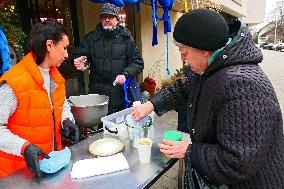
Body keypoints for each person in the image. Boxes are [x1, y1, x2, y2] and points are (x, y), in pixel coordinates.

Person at [132, 8, 284, 188]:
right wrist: (150, 105)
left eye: (184, 51)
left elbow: (237, 161)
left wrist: (189, 151)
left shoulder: (241, 85)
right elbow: (185, 87)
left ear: (204, 50)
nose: (182, 58)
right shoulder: (214, 66)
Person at [0, 19, 80, 178]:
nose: (66, 55)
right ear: (49, 45)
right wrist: (24, 147)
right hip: (18, 174)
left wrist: (67, 120)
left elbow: (61, 105)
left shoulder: (55, 77)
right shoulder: (13, 83)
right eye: (64, 48)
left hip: (49, 167)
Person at [73, 3, 144, 114]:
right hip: (98, 94)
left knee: (119, 125)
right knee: (101, 125)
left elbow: (138, 62)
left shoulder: (126, 39)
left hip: (119, 92)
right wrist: (82, 63)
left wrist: (125, 75)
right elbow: (81, 56)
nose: (107, 19)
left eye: (110, 16)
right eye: (104, 16)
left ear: (117, 19)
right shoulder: (91, 38)